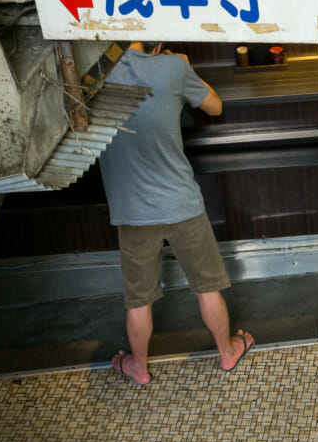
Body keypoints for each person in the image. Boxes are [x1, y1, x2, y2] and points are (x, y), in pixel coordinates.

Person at [99, 42, 253, 385]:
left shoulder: (94, 73)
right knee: (206, 287)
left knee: (138, 301)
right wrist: (183, 66)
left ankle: (139, 367)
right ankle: (227, 353)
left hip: (130, 209)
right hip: (180, 202)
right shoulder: (172, 68)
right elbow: (215, 106)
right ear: (156, 41)